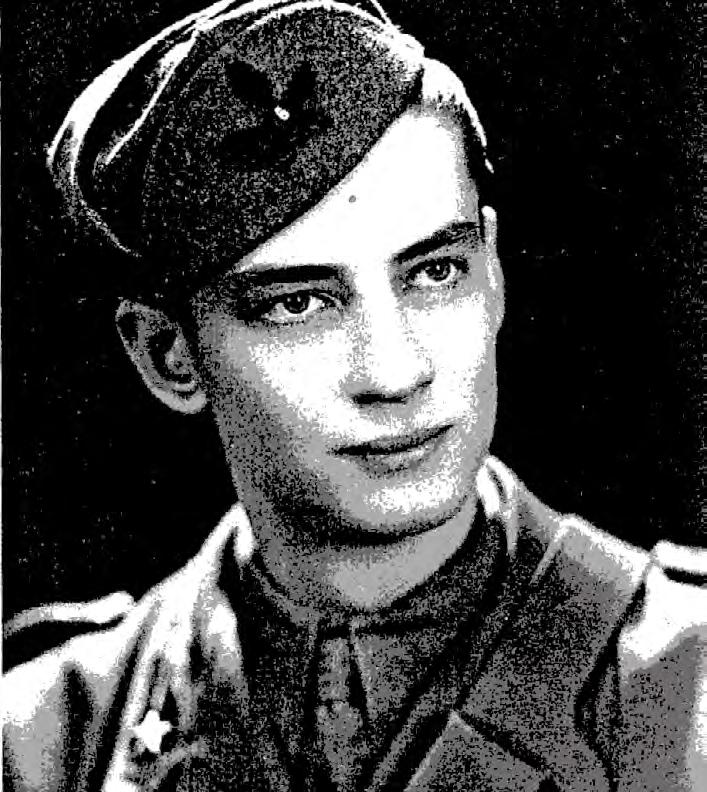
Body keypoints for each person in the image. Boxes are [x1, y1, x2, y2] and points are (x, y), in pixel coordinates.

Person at [3, 1, 705, 790]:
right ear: (170, 356)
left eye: (434, 273)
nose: (396, 373)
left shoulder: (688, 691)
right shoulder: (45, 742)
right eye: (298, 304)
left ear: (493, 273)